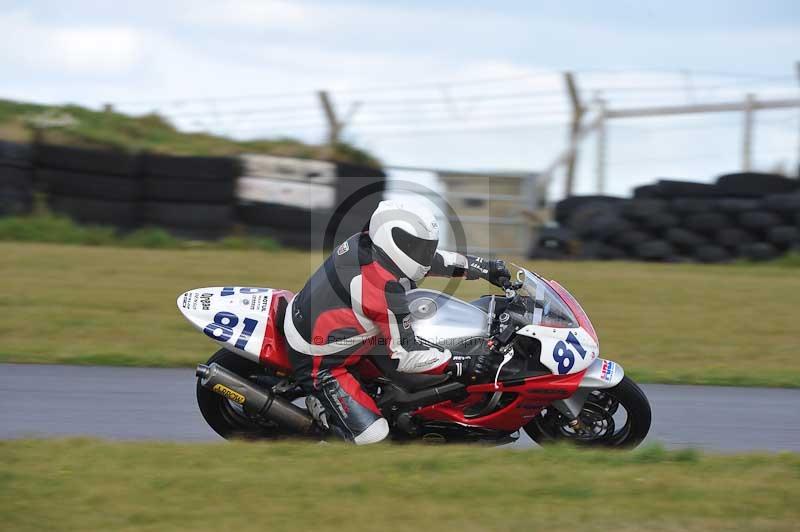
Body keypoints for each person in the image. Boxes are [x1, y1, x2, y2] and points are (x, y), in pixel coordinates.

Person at [283, 200, 511, 444]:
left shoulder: (368, 244)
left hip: (334, 326)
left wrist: (482, 267)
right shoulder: (382, 288)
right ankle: (323, 414)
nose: (424, 254)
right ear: (392, 240)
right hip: (321, 361)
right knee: (374, 437)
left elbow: (430, 261)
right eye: (416, 247)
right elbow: (405, 355)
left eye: (425, 247)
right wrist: (461, 363)